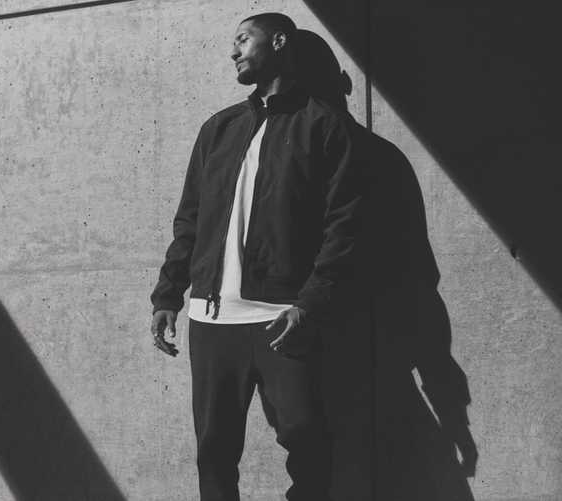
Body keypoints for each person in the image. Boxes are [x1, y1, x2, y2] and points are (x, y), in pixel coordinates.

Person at [150, 13, 367, 501]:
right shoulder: (219, 128)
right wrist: (168, 294)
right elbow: (190, 220)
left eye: (243, 39)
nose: (234, 51)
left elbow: (344, 227)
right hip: (211, 319)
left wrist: (311, 304)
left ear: (279, 41)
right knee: (213, 448)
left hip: (283, 317)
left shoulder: (325, 125)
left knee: (307, 435)